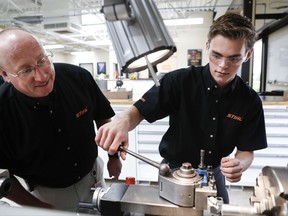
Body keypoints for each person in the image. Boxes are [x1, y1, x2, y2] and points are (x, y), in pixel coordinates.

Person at [96, 13, 267, 204]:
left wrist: (239, 165)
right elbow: (138, 111)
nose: (222, 66)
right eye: (216, 55)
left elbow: (246, 151)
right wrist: (122, 121)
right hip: (173, 173)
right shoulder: (179, 81)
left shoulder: (250, 101)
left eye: (234, 59)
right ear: (207, 46)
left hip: (214, 175)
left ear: (248, 55)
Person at [0, 27, 122, 212]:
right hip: (43, 195)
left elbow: (103, 116)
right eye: (25, 70)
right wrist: (39, 208)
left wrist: (113, 156)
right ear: (5, 75)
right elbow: (4, 178)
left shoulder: (78, 78)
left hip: (93, 177)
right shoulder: (2, 110)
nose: (42, 76)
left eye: (42, 60)